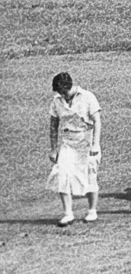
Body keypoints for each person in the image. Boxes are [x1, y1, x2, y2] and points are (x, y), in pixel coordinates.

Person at [48, 72, 101, 226]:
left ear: (68, 86)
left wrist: (95, 144)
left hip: (86, 139)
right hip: (68, 141)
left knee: (90, 173)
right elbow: (53, 125)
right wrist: (53, 149)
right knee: (62, 173)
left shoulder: (87, 96)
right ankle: (68, 213)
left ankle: (92, 210)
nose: (61, 95)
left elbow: (97, 121)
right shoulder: (57, 101)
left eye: (63, 91)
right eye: (59, 92)